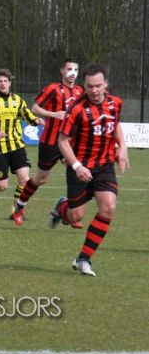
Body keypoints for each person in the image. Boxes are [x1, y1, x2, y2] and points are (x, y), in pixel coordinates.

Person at [49, 64, 129, 277]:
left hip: (104, 165)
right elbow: (62, 141)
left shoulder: (115, 103)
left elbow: (115, 124)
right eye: (90, 86)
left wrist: (123, 147)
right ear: (84, 86)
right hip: (80, 166)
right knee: (75, 216)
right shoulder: (76, 109)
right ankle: (61, 208)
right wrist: (76, 166)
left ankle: (84, 259)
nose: (94, 90)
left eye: (98, 85)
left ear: (106, 84)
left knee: (108, 207)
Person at [10, 59, 83, 225]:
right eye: (69, 69)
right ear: (62, 71)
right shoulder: (53, 88)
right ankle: (20, 205)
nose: (72, 73)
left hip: (69, 142)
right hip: (50, 142)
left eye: (75, 69)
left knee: (78, 173)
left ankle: (69, 212)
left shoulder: (80, 91)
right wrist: (53, 114)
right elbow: (35, 109)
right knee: (41, 178)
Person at [0, 68, 44, 225]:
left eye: (5, 81)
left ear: (10, 83)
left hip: (16, 144)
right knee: (1, 186)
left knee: (25, 179)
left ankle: (16, 211)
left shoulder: (17, 100)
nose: (3, 84)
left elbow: (26, 114)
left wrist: (35, 120)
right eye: (0, 81)